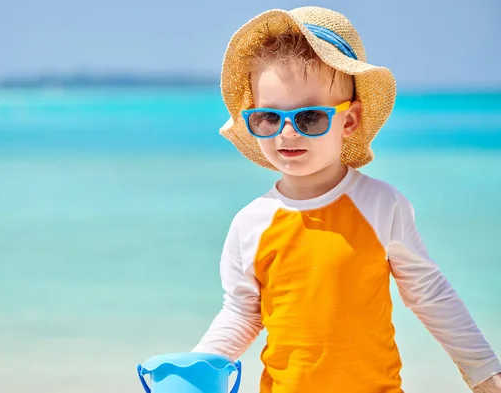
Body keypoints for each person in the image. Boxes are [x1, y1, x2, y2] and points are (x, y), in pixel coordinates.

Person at [191, 6, 501, 393]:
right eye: (269, 118)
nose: (287, 134)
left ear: (349, 121)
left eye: (309, 119)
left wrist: (484, 372)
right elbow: (241, 313)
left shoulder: (381, 205)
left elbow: (429, 293)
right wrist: (199, 368)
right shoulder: (250, 223)